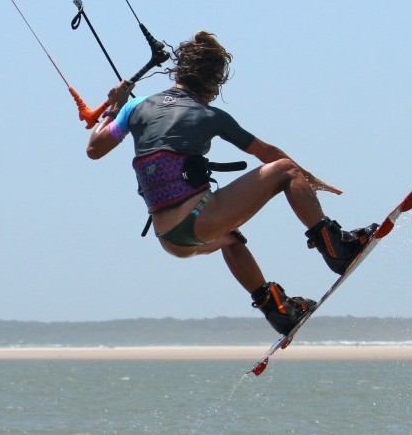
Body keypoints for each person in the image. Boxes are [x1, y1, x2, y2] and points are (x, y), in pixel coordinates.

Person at [86, 31, 378, 335]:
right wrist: (309, 180)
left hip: (170, 239)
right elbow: (270, 156)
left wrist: (113, 107)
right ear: (213, 80)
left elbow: (94, 149)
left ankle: (278, 310)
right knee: (286, 171)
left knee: (231, 238)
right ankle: (335, 246)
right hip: (199, 221)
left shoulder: (135, 108)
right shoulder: (210, 115)